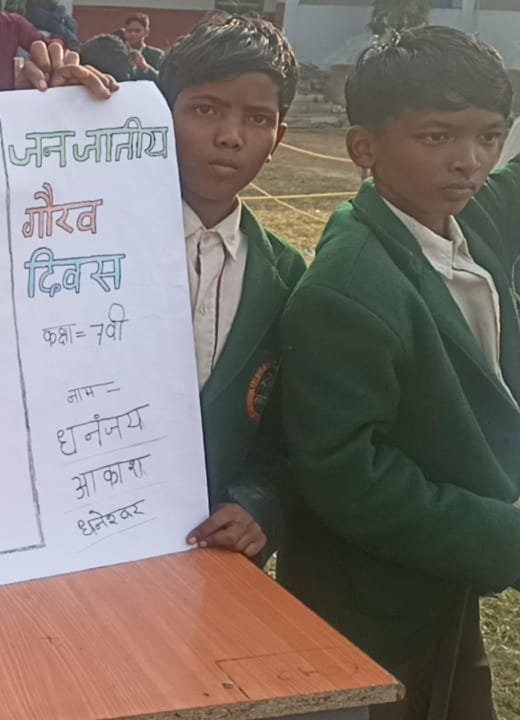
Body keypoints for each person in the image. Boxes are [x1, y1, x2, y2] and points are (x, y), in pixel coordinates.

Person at [277, 26, 520, 720]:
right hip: (368, 608)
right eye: (436, 136)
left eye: (490, 136)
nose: (468, 161)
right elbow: (348, 474)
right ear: (364, 147)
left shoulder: (469, 215)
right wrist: (503, 537)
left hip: (443, 587)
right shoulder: (347, 288)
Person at [154, 15, 305, 562]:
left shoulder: (285, 276)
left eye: (257, 118)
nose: (230, 136)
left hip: (210, 555)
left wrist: (257, 504)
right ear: (162, 114)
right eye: (206, 110)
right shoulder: (98, 239)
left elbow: (286, 436)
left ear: (278, 138)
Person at [123, 12, 164, 80]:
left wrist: (144, 67)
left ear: (146, 32)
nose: (133, 34)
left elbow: (162, 80)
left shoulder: (157, 55)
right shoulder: (118, 53)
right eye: (129, 30)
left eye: (137, 31)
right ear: (125, 32)